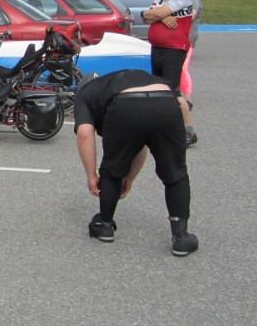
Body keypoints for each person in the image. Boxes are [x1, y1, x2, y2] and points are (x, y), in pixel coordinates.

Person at [74, 69, 199, 257]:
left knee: (112, 169)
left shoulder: (85, 93)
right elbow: (141, 141)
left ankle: (105, 225)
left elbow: (84, 134)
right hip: (166, 102)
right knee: (175, 172)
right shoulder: (132, 78)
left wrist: (91, 174)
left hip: (125, 107)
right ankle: (180, 236)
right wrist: (130, 176)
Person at [142, 0, 198, 147]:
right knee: (159, 90)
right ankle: (162, 128)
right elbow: (145, 17)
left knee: (172, 91)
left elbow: (155, 13)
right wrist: (161, 16)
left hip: (174, 49)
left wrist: (158, 14)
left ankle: (188, 130)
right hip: (158, 48)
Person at [178, 0, 202, 109]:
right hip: (179, 36)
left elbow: (189, 18)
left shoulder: (193, 0)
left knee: (183, 67)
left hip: (188, 37)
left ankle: (188, 98)